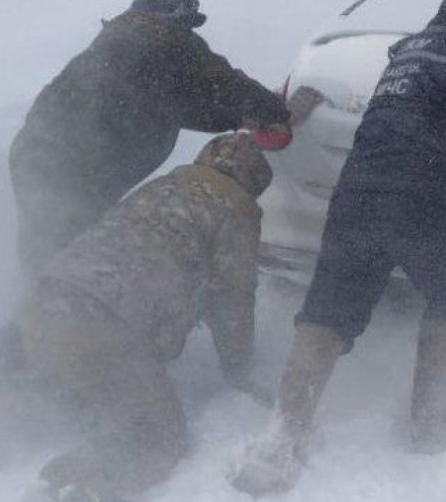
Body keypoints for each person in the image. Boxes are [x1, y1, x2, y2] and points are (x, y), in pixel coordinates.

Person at [231, 0, 446, 497]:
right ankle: (432, 427)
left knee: (327, 311)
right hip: (419, 203)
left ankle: (283, 434)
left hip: (354, 199)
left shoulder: (402, 61)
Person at [15, 132, 273, 500]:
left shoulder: (163, 185)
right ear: (253, 181)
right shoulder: (235, 209)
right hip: (102, 328)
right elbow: (233, 301)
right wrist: (239, 369)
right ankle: (89, 488)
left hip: (44, 303)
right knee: (161, 438)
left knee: (71, 383)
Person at [9, 0, 289, 276]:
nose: (190, 33)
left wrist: (241, 119)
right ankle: (53, 315)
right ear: (174, 16)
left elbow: (180, 106)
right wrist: (274, 109)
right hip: (72, 167)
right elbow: (225, 84)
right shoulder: (164, 37)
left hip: (34, 154)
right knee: (72, 264)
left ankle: (33, 311)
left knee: (47, 256)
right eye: (187, 25)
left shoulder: (126, 48)